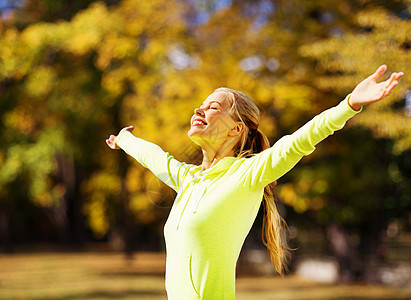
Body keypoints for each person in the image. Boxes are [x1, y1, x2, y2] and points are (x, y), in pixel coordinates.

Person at [106, 65, 403, 299]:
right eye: (200, 104)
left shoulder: (247, 175)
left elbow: (300, 141)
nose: (199, 110)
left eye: (212, 107)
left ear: (236, 129)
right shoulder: (189, 180)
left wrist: (348, 104)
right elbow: (154, 157)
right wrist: (125, 139)